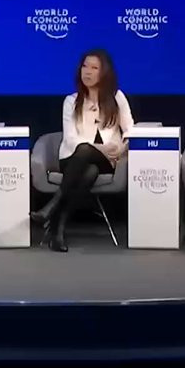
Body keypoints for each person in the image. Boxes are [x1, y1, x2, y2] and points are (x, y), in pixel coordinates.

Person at [31, 49, 135, 252]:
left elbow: (130, 129)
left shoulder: (117, 97)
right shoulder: (71, 101)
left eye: (94, 68)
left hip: (108, 159)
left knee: (89, 157)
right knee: (89, 169)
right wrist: (98, 147)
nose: (87, 71)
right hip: (72, 158)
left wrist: (123, 147)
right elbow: (71, 139)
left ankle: (52, 208)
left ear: (104, 72)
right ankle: (57, 228)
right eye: (85, 66)